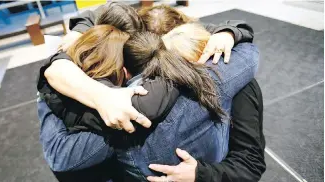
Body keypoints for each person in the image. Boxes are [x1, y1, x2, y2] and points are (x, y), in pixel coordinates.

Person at [38, 2, 265, 182]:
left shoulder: (124, 110)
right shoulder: (229, 71)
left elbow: (62, 158)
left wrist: (56, 74)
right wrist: (230, 32)